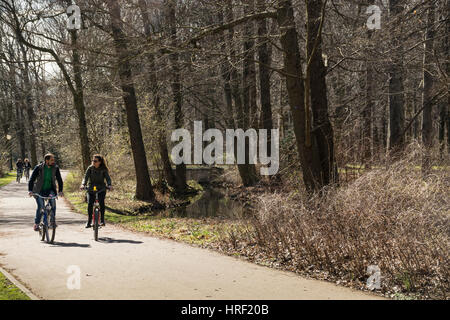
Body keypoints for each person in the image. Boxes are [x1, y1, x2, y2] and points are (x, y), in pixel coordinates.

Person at [28, 154, 64, 231]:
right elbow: (32, 179)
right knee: (41, 206)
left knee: (53, 203)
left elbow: (59, 180)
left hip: (50, 190)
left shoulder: (55, 168)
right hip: (39, 190)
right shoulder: (39, 168)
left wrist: (60, 191)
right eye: (52, 160)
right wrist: (30, 190)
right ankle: (37, 224)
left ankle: (52, 222)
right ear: (46, 160)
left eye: (53, 160)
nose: (53, 161)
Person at [80, 154, 112, 228]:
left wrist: (109, 185)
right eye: (92, 160)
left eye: (95, 161)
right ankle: (89, 221)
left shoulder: (103, 169)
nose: (93, 162)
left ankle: (102, 220)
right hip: (92, 188)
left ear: (99, 162)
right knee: (90, 204)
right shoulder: (90, 168)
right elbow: (85, 177)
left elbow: (108, 178)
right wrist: (83, 184)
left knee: (101, 202)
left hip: (101, 188)